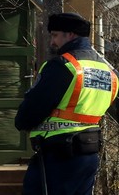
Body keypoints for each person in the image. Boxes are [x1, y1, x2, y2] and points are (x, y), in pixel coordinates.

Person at [15, 12, 118, 195]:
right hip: (89, 153)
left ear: (70, 35)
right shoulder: (109, 73)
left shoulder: (63, 66)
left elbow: (30, 112)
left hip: (58, 155)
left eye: (55, 35)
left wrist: (21, 121)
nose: (52, 42)